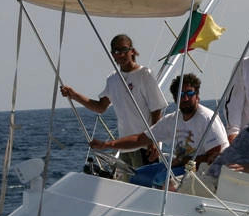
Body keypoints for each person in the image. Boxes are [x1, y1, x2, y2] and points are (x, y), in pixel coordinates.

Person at [90, 74, 227, 188]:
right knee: (136, 176)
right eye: (181, 94)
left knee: (161, 180)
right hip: (181, 166)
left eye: (190, 93)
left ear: (197, 96)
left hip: (205, 171)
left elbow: (215, 156)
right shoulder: (172, 120)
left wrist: (181, 161)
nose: (185, 98)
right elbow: (140, 139)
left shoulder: (207, 118)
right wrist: (107, 145)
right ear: (175, 99)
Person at [60, 34, 168, 168]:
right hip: (124, 147)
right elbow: (100, 107)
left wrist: (155, 141)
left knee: (142, 186)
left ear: (132, 51)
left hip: (144, 147)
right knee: (126, 186)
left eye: (124, 50)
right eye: (117, 51)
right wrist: (74, 95)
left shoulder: (144, 75)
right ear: (112, 54)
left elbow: (156, 110)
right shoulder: (112, 80)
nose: (121, 55)